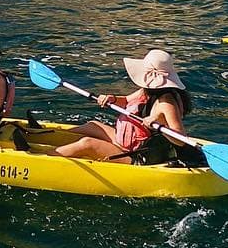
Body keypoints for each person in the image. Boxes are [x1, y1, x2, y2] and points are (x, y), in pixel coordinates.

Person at [54, 48, 193, 163]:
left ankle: (49, 156)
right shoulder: (147, 91)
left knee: (87, 143)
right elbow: (126, 100)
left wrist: (159, 126)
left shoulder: (166, 103)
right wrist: (112, 99)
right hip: (125, 143)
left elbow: (180, 140)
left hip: (138, 156)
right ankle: (50, 139)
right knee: (92, 126)